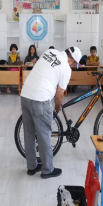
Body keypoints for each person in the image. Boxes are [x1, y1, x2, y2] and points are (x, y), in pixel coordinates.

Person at [21, 46, 81, 179]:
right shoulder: (66, 68)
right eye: (75, 64)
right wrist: (58, 108)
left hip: (25, 94)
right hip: (40, 99)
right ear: (72, 61)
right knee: (44, 134)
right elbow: (59, 96)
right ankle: (47, 169)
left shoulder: (50, 51)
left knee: (29, 133)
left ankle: (31, 166)